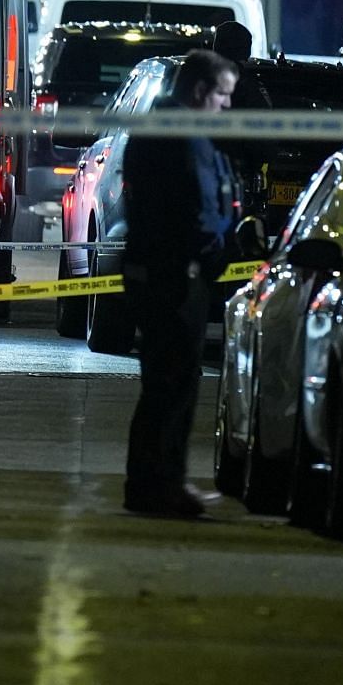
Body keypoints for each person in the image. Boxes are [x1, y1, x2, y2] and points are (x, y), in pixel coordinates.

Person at [120, 48, 240, 517]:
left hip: (162, 272)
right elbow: (192, 209)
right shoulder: (182, 136)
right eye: (223, 95)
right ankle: (161, 485)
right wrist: (216, 255)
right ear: (198, 90)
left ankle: (152, 482)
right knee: (173, 384)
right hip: (176, 275)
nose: (226, 106)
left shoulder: (162, 129)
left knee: (164, 383)